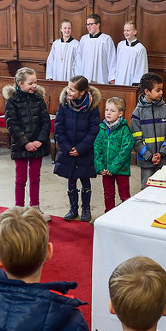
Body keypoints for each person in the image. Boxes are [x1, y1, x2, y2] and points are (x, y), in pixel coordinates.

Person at [2, 67, 52, 221]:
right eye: (31, 83)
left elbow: (45, 122)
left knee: (35, 177)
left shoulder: (39, 99)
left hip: (37, 144)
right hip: (21, 145)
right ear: (20, 83)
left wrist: (38, 141)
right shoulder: (12, 101)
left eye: (36, 82)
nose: (34, 86)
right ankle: (18, 210)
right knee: (21, 179)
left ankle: (35, 207)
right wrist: (25, 143)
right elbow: (12, 125)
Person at [54, 75, 101, 221]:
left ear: (82, 92)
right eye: (68, 88)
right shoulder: (64, 104)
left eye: (72, 90)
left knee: (85, 179)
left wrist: (80, 148)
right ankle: (73, 208)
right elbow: (58, 127)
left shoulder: (92, 107)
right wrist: (67, 147)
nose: (68, 91)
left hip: (84, 151)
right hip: (68, 150)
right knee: (71, 179)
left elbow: (94, 130)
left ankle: (85, 209)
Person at [130, 72, 166, 187]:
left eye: (162, 89)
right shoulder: (137, 113)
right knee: (147, 189)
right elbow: (136, 139)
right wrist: (149, 156)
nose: (161, 92)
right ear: (147, 91)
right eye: (158, 90)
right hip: (146, 161)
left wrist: (162, 153)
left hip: (165, 159)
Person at [94, 97, 134, 213]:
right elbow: (97, 147)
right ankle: (108, 214)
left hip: (121, 169)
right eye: (107, 110)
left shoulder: (124, 129)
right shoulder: (102, 128)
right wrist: (100, 166)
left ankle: (126, 216)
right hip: (106, 170)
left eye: (112, 110)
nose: (108, 113)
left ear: (120, 113)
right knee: (108, 194)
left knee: (124, 195)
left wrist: (113, 167)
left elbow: (125, 150)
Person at [78, 13, 116, 84]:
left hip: (101, 75)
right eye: (87, 24)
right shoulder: (84, 39)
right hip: (86, 75)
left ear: (98, 24)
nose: (88, 27)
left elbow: (112, 59)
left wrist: (112, 76)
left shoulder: (106, 39)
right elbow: (79, 58)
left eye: (90, 24)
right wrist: (79, 75)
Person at [114, 21, 148, 86]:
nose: (126, 33)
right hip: (119, 80)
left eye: (128, 30)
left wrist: (136, 83)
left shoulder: (140, 48)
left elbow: (141, 67)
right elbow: (117, 63)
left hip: (131, 81)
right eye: (124, 30)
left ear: (135, 32)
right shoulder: (120, 45)